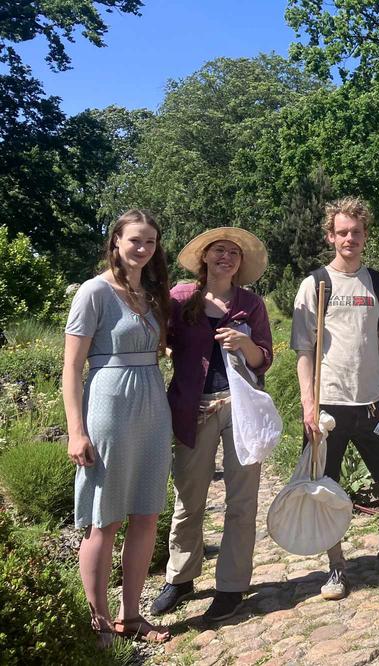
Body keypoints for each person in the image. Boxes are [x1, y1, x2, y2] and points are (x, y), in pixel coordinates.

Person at [291, 196, 379, 601]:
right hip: (329, 404)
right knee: (325, 486)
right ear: (330, 236)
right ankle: (336, 566)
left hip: (372, 402)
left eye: (356, 231)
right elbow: (304, 349)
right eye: (342, 232)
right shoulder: (315, 283)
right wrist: (309, 403)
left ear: (365, 235)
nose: (349, 238)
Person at [149, 228, 273, 622]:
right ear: (204, 257)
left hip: (240, 410)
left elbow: (263, 359)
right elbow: (158, 339)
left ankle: (232, 586)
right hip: (193, 408)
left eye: (233, 253)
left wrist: (246, 344)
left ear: (241, 263)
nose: (226, 257)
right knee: (189, 499)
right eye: (219, 251)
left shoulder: (251, 304)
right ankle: (181, 578)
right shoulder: (181, 298)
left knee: (242, 502)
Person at [63, 209, 173, 645]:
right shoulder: (94, 292)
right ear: (116, 242)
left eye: (149, 242)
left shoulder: (151, 293)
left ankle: (132, 616)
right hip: (108, 403)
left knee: (146, 513)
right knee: (103, 519)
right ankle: (99, 621)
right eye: (135, 240)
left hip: (152, 403)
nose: (143, 249)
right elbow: (71, 367)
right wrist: (76, 429)